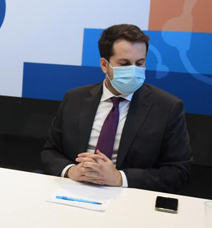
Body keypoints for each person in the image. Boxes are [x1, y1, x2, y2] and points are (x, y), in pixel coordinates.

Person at [41, 24, 192, 193]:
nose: (134, 71)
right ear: (104, 65)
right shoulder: (75, 98)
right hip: (73, 190)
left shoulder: (167, 107)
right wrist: (71, 171)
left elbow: (179, 172)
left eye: (140, 63)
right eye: (125, 64)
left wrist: (120, 178)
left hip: (129, 196)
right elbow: (50, 151)